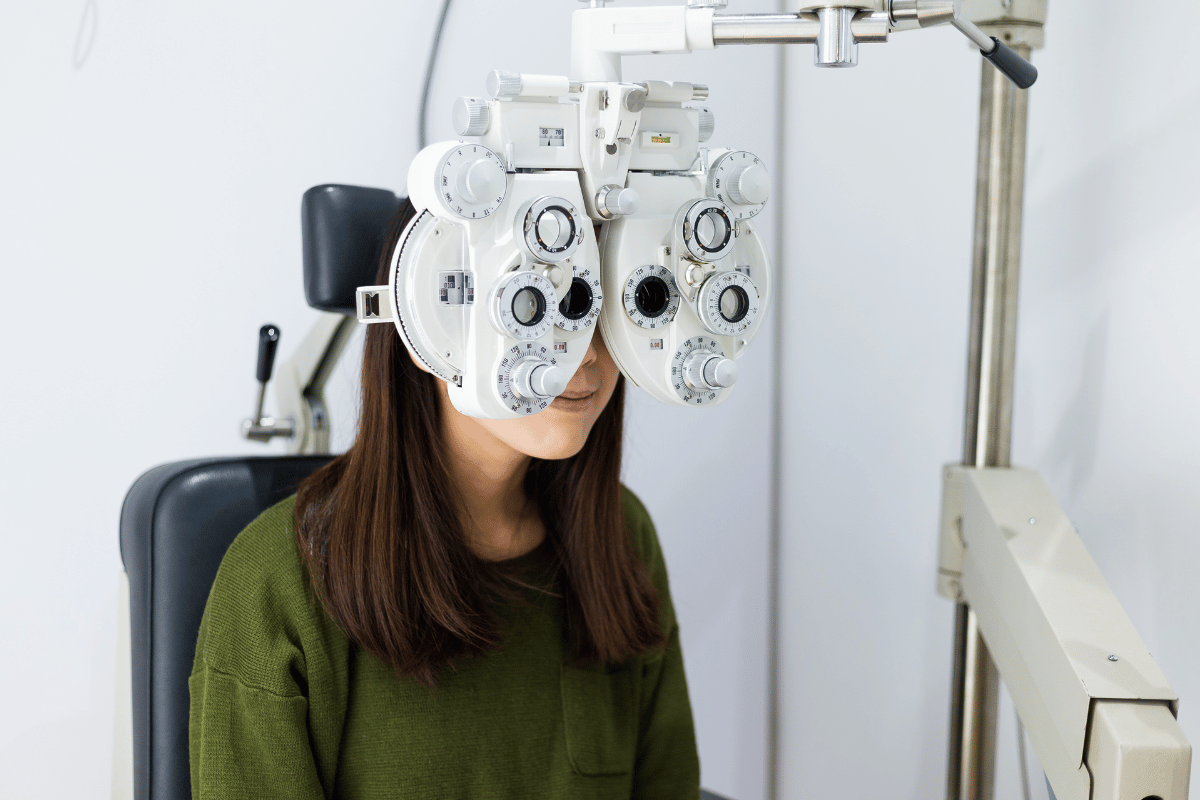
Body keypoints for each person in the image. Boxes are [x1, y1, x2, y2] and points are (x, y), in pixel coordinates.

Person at [188, 199, 700, 799]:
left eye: (598, 307)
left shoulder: (618, 535)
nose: (584, 353)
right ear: (429, 323)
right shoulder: (279, 580)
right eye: (533, 307)